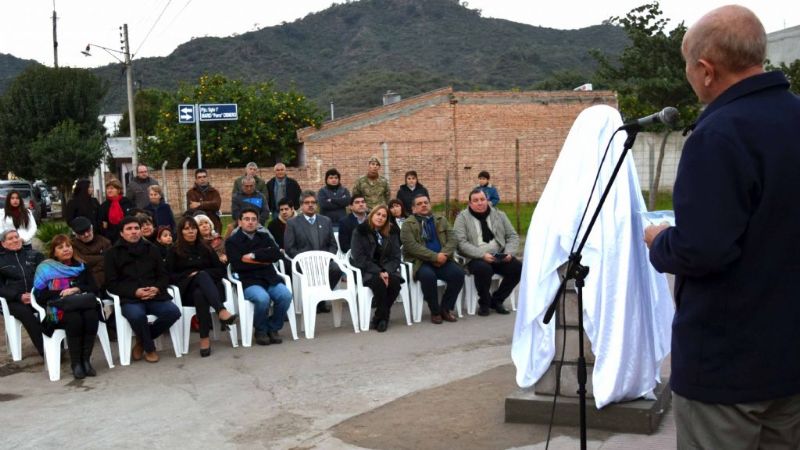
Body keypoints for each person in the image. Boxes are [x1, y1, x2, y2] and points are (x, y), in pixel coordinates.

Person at [643, 6, 800, 448]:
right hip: (790, 360)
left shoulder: (718, 135)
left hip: (727, 368)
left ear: (706, 70)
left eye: (687, 66)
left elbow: (703, 250)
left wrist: (660, 241)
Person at [104, 216, 181, 363]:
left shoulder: (152, 249)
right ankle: (150, 349)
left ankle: (142, 341)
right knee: (137, 316)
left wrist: (156, 288)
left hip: (154, 296)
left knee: (173, 312)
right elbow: (111, 284)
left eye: (136, 228)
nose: (134, 232)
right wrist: (134, 292)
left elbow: (163, 275)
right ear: (121, 233)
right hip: (130, 298)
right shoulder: (112, 253)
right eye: (129, 229)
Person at [167, 217, 238, 357]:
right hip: (186, 290)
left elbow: (220, 270)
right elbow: (168, 275)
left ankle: (204, 338)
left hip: (210, 290)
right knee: (200, 280)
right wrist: (189, 275)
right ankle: (221, 311)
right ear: (181, 231)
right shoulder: (174, 250)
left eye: (193, 228)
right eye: (187, 229)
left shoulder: (205, 247)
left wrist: (202, 274)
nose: (191, 231)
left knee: (200, 292)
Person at [33, 235, 100, 379]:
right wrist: (62, 293)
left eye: (68, 246)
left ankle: (86, 361)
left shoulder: (81, 266)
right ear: (54, 252)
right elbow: (39, 295)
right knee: (74, 319)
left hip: (81, 305)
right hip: (56, 310)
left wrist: (76, 289)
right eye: (60, 247)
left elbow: (94, 288)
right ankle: (76, 364)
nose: (66, 249)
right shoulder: (45, 268)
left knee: (91, 316)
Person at [225, 207, 292, 346]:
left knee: (285, 295)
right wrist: (265, 259)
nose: (250, 222)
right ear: (240, 222)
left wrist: (254, 256)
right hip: (249, 281)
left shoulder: (264, 237)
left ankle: (273, 327)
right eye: (246, 219)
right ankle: (260, 330)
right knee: (263, 298)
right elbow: (238, 265)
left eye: (253, 219)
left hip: (269, 278)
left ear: (258, 222)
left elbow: (277, 254)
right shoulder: (232, 241)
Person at [454, 188, 520, 316]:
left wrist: (509, 252)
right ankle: (484, 302)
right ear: (470, 204)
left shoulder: (499, 215)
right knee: (484, 269)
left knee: (517, 268)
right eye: (475, 200)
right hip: (475, 257)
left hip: (498, 254)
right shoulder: (462, 218)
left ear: (487, 200)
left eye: (482, 199)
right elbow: (461, 243)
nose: (480, 203)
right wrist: (482, 255)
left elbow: (512, 236)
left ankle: (497, 300)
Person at [400, 194, 464, 324]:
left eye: (426, 202)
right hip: (421, 262)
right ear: (413, 209)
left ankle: (445, 309)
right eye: (419, 204)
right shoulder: (407, 224)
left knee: (458, 274)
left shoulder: (441, 220)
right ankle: (435, 312)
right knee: (428, 277)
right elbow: (411, 246)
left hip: (443, 259)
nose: (423, 205)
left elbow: (453, 239)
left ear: (430, 204)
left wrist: (443, 255)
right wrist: (435, 257)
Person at [349, 205, 403, 332]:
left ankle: (379, 316)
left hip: (387, 269)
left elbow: (396, 257)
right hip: (366, 270)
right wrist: (379, 271)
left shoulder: (392, 232)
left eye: (384, 216)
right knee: (379, 283)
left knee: (395, 284)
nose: (380, 218)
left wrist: (386, 271)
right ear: (372, 215)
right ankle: (383, 318)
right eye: (378, 214)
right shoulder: (360, 231)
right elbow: (359, 258)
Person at [285, 191, 341, 313]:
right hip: (303, 263)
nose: (310, 205)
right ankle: (317, 300)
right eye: (307, 203)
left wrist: (326, 259)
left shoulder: (326, 221)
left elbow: (333, 245)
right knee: (312, 272)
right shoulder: (292, 223)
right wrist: (306, 261)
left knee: (336, 269)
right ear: (301, 205)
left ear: (317, 204)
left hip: (324, 262)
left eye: (313, 202)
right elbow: (289, 248)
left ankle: (320, 298)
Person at [0, 229, 45, 357]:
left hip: (37, 296)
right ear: (3, 244)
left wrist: (36, 294)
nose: (15, 240)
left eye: (16, 237)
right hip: (13, 301)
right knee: (27, 314)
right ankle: (45, 350)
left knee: (51, 309)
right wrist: (18, 296)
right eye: (10, 238)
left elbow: (46, 277)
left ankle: (58, 344)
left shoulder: (34, 255)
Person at [69, 217, 112, 289]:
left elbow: (110, 261)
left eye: (88, 231)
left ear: (92, 228)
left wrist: (93, 268)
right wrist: (103, 257)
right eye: (81, 233)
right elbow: (82, 261)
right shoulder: (72, 245)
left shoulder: (104, 242)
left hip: (107, 280)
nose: (86, 234)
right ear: (75, 234)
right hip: (85, 283)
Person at [186, 168, 222, 233]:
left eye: (204, 177)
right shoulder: (191, 192)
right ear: (196, 179)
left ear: (207, 178)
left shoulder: (214, 192)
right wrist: (210, 206)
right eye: (199, 177)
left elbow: (216, 205)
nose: (202, 179)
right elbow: (192, 208)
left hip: (214, 223)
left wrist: (199, 204)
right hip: (198, 224)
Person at [99, 179, 134, 244]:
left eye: (112, 188)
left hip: (127, 235)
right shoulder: (104, 206)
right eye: (107, 189)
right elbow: (102, 223)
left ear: (119, 190)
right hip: (111, 238)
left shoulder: (127, 202)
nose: (109, 191)